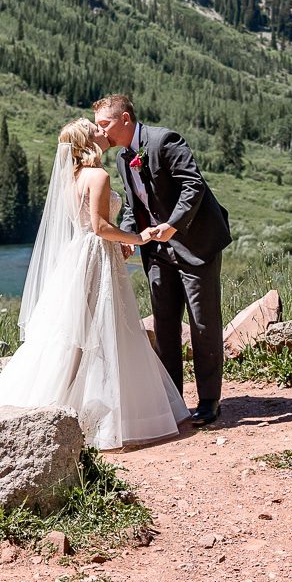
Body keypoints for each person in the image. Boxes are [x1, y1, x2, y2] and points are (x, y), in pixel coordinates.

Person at [0, 118, 189, 448]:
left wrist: (119, 238)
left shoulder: (71, 179)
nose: (103, 133)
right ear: (88, 143)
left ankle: (55, 405)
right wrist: (137, 236)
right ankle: (104, 418)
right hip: (97, 255)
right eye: (96, 130)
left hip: (78, 255)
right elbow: (102, 227)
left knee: (73, 334)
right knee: (103, 331)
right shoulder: (99, 176)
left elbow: (89, 225)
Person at [92, 94, 232, 426]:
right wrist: (128, 236)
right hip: (156, 252)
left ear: (125, 119)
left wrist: (172, 224)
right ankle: (173, 400)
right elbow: (132, 203)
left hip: (196, 245)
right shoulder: (123, 159)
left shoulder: (164, 140)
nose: (101, 132)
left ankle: (210, 401)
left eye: (105, 124)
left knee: (202, 323)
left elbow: (192, 186)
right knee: (165, 325)